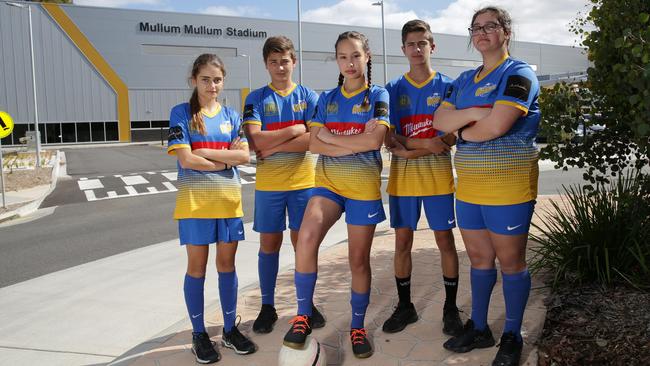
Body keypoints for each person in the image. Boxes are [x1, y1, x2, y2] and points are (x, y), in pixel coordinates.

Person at [431, 7, 541, 366]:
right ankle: (479, 327)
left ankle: (511, 334)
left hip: (508, 188)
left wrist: (461, 130)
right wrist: (476, 113)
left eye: (490, 26)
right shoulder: (463, 79)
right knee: (479, 260)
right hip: (470, 190)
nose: (481, 32)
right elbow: (438, 121)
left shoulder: (519, 73)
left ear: (505, 32)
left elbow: (497, 126)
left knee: (511, 264)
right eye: (476, 27)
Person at [282, 31, 389, 359]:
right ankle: (303, 316)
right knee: (306, 236)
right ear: (337, 61)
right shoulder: (326, 99)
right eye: (343, 57)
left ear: (366, 57)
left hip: (362, 189)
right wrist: (349, 139)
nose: (350, 63)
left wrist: (333, 138)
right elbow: (313, 144)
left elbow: (374, 142)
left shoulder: (378, 96)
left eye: (355, 55)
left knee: (357, 260)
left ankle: (357, 326)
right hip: (328, 185)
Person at [167, 53, 257, 364]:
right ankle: (199, 334)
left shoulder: (232, 117)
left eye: (217, 79)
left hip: (229, 204)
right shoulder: (181, 113)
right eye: (205, 79)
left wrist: (204, 151)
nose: (211, 85)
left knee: (227, 267)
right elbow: (186, 159)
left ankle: (230, 330)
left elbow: (244, 157)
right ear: (194, 80)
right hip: (195, 204)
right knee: (196, 269)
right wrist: (222, 160)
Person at [382, 19, 463, 336]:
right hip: (403, 180)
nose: (417, 49)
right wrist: (423, 145)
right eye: (411, 44)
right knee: (402, 242)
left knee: (445, 240)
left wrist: (410, 148)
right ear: (403, 49)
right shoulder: (392, 90)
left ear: (433, 46)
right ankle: (405, 307)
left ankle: (450, 308)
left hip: (438, 178)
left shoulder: (448, 86)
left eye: (423, 42)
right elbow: (389, 139)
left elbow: (452, 137)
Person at [242, 35, 325, 334]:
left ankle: (307, 304)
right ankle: (267, 306)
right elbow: (254, 140)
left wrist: (272, 146)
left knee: (303, 243)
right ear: (266, 64)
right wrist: (293, 129)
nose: (280, 67)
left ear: (294, 61)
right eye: (274, 62)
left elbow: (314, 140)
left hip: (304, 183)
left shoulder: (309, 97)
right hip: (269, 186)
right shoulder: (256, 98)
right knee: (269, 245)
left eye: (285, 61)